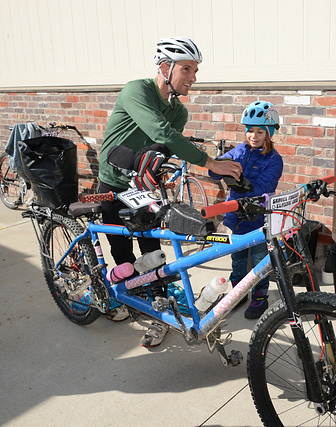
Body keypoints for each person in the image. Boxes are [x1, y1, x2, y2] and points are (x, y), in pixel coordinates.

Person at [98, 37, 242, 347]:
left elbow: (162, 145)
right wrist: (210, 163)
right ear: (165, 68)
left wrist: (155, 169)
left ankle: (159, 314)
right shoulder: (136, 89)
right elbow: (158, 132)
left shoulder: (179, 112)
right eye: (187, 69)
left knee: (153, 251)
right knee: (121, 250)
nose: (193, 77)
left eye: (196, 70)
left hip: (142, 185)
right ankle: (128, 299)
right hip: (112, 179)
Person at [209, 101, 284, 319]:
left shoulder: (274, 160)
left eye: (260, 131)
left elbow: (263, 188)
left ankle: (260, 298)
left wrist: (239, 180)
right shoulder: (239, 151)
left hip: (259, 219)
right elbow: (216, 171)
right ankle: (238, 292)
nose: (254, 135)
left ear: (269, 133)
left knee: (260, 260)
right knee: (238, 259)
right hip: (235, 218)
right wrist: (216, 166)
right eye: (250, 130)